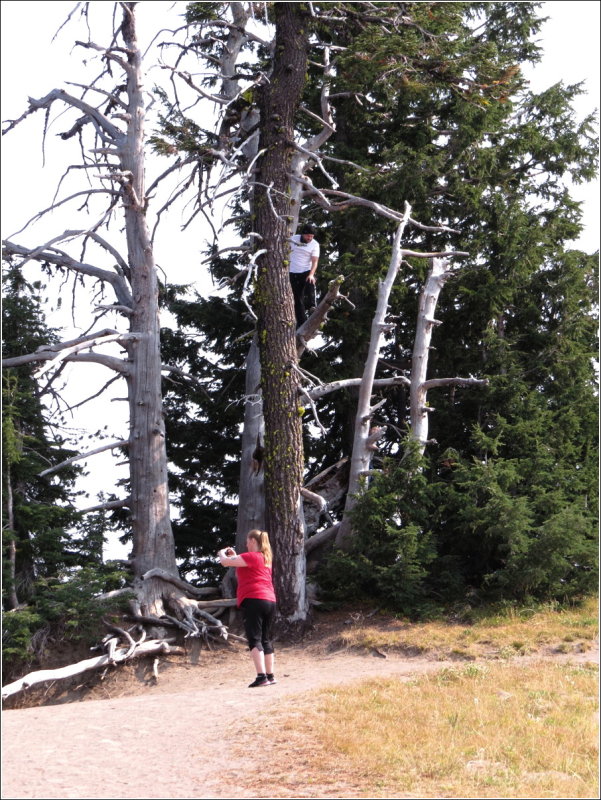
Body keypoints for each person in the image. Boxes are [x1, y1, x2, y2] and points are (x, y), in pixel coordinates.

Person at [217, 530, 277, 687]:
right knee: (265, 638)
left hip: (254, 599)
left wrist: (221, 553)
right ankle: (270, 676)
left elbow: (225, 562)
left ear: (252, 541)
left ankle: (261, 676)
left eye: (247, 541)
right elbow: (240, 564)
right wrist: (234, 555)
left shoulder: (251, 556)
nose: (246, 544)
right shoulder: (265, 558)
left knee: (254, 639)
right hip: (269, 600)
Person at [288, 223, 320, 327]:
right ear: (303, 234)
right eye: (308, 236)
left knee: (310, 282)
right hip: (292, 272)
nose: (309, 238)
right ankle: (302, 323)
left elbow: (315, 262)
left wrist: (311, 274)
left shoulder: (315, 244)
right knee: (297, 300)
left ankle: (312, 306)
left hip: (306, 270)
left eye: (312, 236)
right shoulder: (293, 239)